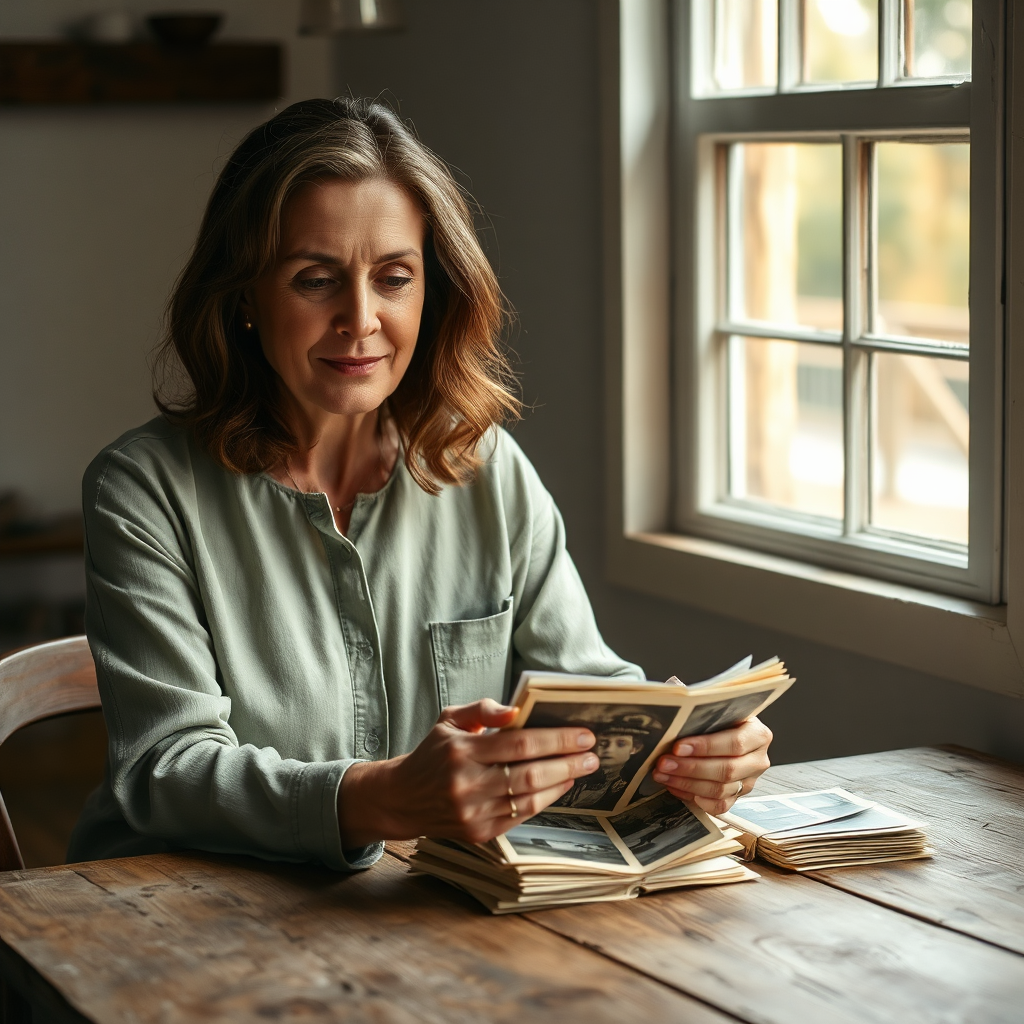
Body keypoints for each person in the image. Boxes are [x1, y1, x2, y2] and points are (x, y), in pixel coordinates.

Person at [68, 97, 772, 872]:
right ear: (243, 298)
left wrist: (683, 754)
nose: (361, 318)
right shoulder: (141, 490)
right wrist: (386, 797)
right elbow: (164, 770)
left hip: (418, 913)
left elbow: (589, 692)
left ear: (431, 292)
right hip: (170, 914)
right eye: (315, 280)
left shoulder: (488, 468)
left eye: (394, 278)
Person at [558, 707, 664, 811]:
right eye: (602, 743)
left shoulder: (621, 788)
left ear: (635, 748)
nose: (609, 749)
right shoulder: (577, 777)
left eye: (621, 743)